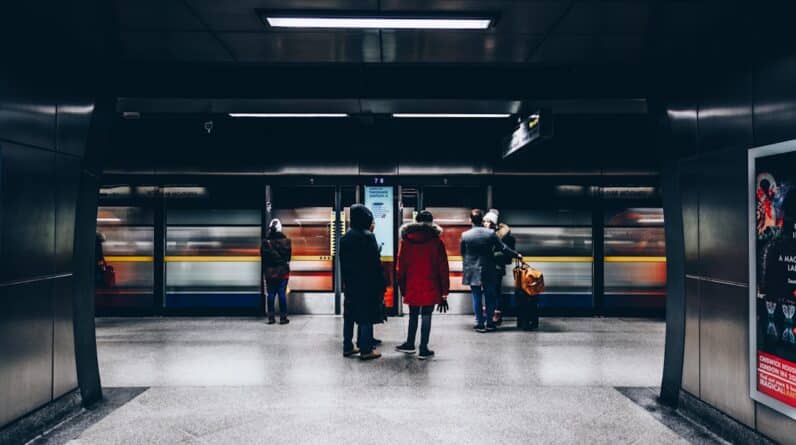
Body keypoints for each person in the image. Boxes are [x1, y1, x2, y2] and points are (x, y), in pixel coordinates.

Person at [395, 210, 450, 360]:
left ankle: (410, 344)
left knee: (413, 314)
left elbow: (400, 268)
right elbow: (443, 267)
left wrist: (403, 288)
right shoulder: (436, 242)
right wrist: (444, 292)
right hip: (431, 285)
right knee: (426, 315)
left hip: (412, 284)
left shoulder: (405, 241)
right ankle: (423, 348)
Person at [340, 204, 387, 360]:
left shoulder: (345, 238)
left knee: (349, 315)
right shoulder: (368, 236)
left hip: (350, 283)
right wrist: (381, 283)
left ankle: (348, 346)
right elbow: (374, 263)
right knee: (365, 315)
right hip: (366, 283)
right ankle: (366, 349)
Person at [461, 209, 520, 332]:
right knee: (490, 296)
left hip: (472, 269)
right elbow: (503, 248)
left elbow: (463, 253)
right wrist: (516, 255)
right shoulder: (490, 234)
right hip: (489, 267)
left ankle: (479, 324)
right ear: (482, 220)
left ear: (470, 220)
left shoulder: (465, 235)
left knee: (476, 297)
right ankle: (489, 323)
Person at [483, 209, 517, 326]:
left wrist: (492, 255)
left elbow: (504, 251)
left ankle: (496, 314)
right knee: (491, 291)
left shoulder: (500, 235)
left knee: (496, 291)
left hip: (497, 267)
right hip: (489, 267)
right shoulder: (487, 233)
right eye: (485, 221)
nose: (485, 223)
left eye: (488, 221)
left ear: (493, 223)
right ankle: (491, 313)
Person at [262, 218, 292, 325]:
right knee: (281, 294)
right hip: (283, 272)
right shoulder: (287, 242)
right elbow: (288, 258)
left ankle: (271, 318)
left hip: (269, 273)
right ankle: (283, 317)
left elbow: (263, 258)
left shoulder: (265, 242)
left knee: (271, 294)